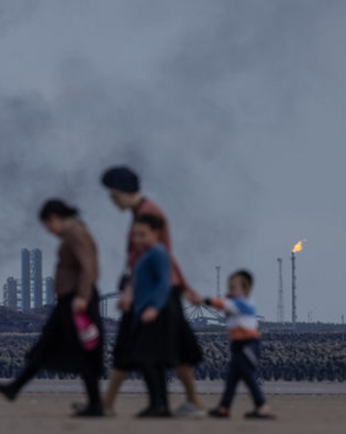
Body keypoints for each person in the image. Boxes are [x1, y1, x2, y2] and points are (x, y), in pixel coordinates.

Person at [100, 166, 205, 418]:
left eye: (112, 196)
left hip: (152, 292)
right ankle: (106, 404)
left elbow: (162, 255)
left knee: (143, 349)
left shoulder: (148, 215)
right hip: (154, 289)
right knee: (162, 350)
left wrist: (130, 290)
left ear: (123, 192)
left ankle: (111, 405)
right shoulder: (142, 213)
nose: (111, 201)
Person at [0, 199, 105, 417]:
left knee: (84, 350)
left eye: (48, 226)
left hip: (77, 301)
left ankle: (96, 404)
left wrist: (82, 295)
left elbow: (88, 266)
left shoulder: (76, 234)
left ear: (53, 218)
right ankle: (14, 387)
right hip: (68, 302)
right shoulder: (74, 233)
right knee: (46, 344)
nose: (50, 231)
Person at [187, 270, 275, 419]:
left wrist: (203, 300)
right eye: (229, 287)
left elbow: (222, 304)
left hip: (247, 345)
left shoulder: (242, 303)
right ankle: (224, 407)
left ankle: (262, 406)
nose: (230, 291)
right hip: (238, 347)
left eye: (233, 288)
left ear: (246, 289)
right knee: (232, 379)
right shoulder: (239, 303)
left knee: (248, 376)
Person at [127, 213, 177, 417]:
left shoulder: (157, 253)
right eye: (135, 235)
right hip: (143, 312)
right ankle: (160, 404)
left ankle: (158, 404)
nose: (138, 239)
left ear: (156, 233)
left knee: (147, 360)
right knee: (150, 362)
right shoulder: (145, 255)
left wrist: (154, 307)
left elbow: (164, 283)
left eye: (142, 234)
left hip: (153, 315)